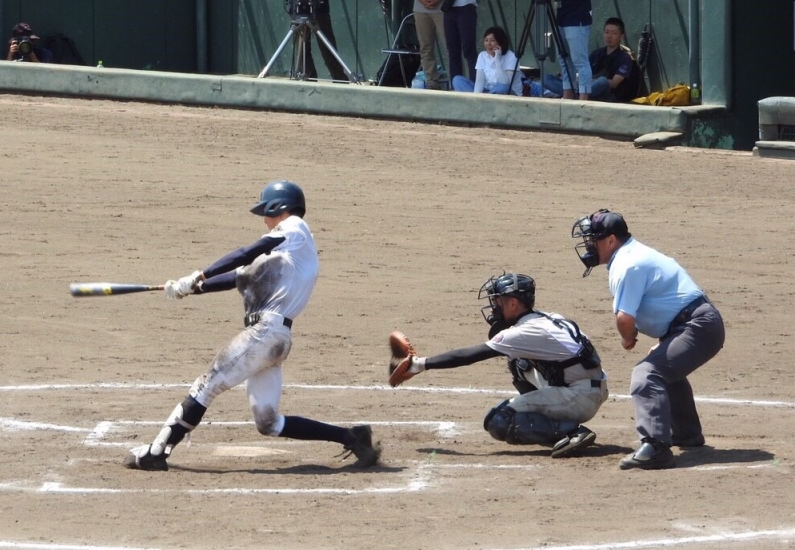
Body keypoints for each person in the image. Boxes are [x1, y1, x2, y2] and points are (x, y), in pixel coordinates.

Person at [123, 180, 381, 471]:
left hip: (264, 333)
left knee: (206, 387)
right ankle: (351, 437)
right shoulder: (283, 256)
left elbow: (246, 252)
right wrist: (188, 287)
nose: (264, 220)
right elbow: (235, 276)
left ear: (278, 207)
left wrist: (199, 274)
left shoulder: (294, 228)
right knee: (268, 423)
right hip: (275, 339)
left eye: (266, 213)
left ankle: (156, 453)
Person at [389, 273, 608, 459]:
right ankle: (552, 419)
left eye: (498, 301)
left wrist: (419, 364)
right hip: (588, 385)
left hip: (580, 397)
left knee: (499, 421)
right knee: (519, 364)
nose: (494, 307)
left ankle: (571, 433)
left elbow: (470, 355)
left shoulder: (524, 332)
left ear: (513, 303)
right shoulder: (545, 318)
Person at [571, 209, 726, 470]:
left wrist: (627, 337)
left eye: (592, 240)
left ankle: (656, 448)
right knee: (663, 367)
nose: (588, 246)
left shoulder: (628, 264)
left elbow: (624, 318)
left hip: (697, 325)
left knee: (647, 373)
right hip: (692, 324)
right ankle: (687, 433)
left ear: (610, 240)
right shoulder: (632, 254)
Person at [543, 17, 641, 102]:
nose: (609, 36)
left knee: (603, 81)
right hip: (586, 86)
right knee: (547, 79)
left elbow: (614, 83)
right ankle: (577, 93)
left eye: (614, 33)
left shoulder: (624, 57)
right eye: (606, 32)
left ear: (621, 36)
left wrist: (588, 82)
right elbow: (582, 73)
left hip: (606, 93)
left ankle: (576, 93)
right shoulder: (597, 53)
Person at [451, 25, 522, 95]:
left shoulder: (511, 57)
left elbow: (505, 83)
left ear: (500, 42)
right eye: (486, 40)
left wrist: (497, 59)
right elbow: (479, 82)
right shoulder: (482, 56)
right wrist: (476, 97)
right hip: (488, 92)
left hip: (508, 93)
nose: (488, 44)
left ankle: (482, 100)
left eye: (492, 40)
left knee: (502, 87)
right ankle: (479, 100)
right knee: (457, 80)